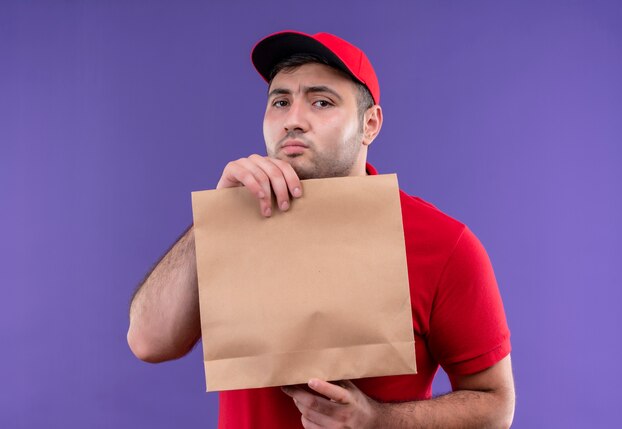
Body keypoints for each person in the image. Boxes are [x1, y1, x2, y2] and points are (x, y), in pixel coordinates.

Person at [127, 30, 515, 428]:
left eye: (321, 102)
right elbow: (148, 342)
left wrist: (378, 421)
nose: (293, 120)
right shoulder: (239, 221)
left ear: (370, 124)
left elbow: (496, 407)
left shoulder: (444, 244)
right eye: (280, 102)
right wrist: (217, 217)